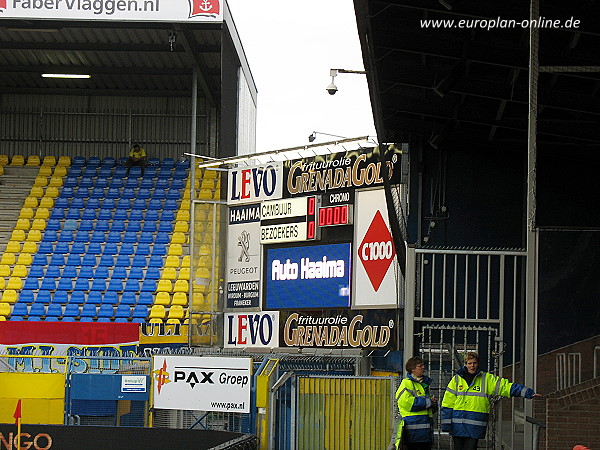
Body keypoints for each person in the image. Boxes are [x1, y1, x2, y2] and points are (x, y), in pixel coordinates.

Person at [441, 351, 542, 450]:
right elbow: (447, 403)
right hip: (458, 425)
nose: (472, 366)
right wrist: (446, 424)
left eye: (474, 363)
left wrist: (528, 393)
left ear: (478, 363)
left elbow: (505, 386)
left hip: (474, 426)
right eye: (470, 363)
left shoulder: (487, 379)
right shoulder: (456, 380)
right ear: (465, 364)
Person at [393, 356, 438, 450]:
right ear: (412, 369)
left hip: (424, 433)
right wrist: (429, 402)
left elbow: (427, 407)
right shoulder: (407, 383)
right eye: (420, 366)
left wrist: (433, 404)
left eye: (423, 365)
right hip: (414, 433)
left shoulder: (422, 384)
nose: (423, 367)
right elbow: (406, 402)